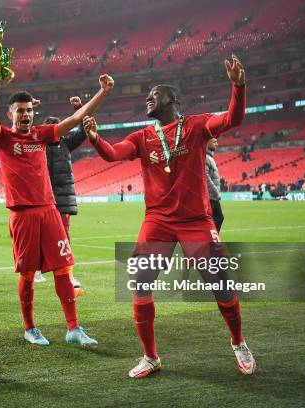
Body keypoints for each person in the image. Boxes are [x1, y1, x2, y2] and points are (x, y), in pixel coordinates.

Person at [84, 55, 256, 377]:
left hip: (195, 220)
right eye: (147, 96)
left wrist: (238, 86)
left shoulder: (196, 126)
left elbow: (233, 118)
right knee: (140, 282)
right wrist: (95, 139)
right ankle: (150, 356)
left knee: (219, 284)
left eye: (154, 93)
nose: (148, 98)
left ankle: (238, 342)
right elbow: (113, 154)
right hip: (158, 220)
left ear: (173, 100)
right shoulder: (142, 137)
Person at [0, 73, 114, 347]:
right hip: (22, 214)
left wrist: (102, 93)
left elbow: (76, 119)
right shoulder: (4, 137)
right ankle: (30, 328)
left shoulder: (42, 134)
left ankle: (73, 328)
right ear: (10, 114)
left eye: (29, 110)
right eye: (20, 110)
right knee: (28, 273)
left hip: (49, 210)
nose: (26, 114)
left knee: (63, 269)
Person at [33, 96, 87, 295]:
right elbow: (24, 132)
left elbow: (82, 131)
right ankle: (37, 271)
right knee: (40, 235)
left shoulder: (65, 142)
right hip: (43, 196)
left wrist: (79, 109)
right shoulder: (38, 143)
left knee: (64, 237)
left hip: (62, 197)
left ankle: (69, 274)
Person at [206, 138, 224, 231]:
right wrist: (216, 192)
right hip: (209, 197)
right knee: (217, 218)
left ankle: (211, 242)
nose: (217, 144)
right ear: (207, 142)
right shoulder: (205, 157)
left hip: (212, 196)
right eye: (214, 142)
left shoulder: (209, 158)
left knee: (218, 218)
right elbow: (205, 177)